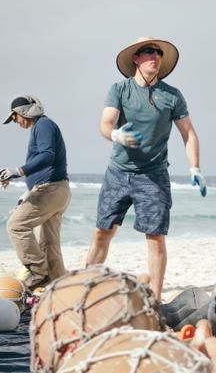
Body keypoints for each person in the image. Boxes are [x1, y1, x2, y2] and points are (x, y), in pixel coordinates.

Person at [85, 36, 206, 300]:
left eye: (158, 53)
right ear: (135, 59)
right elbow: (106, 123)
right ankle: (87, 288)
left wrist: (195, 168)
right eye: (148, 52)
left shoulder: (172, 96)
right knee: (102, 232)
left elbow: (189, 134)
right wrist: (116, 135)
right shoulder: (119, 89)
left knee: (155, 238)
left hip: (153, 175)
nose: (155, 56)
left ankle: (155, 299)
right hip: (118, 172)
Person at [0, 95, 71, 290]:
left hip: (50, 190)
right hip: (57, 190)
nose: (15, 122)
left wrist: (19, 171)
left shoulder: (43, 125)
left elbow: (47, 156)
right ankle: (59, 288)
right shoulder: (43, 126)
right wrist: (26, 189)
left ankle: (38, 271)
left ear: (23, 113)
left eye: (14, 117)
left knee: (16, 226)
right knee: (50, 245)